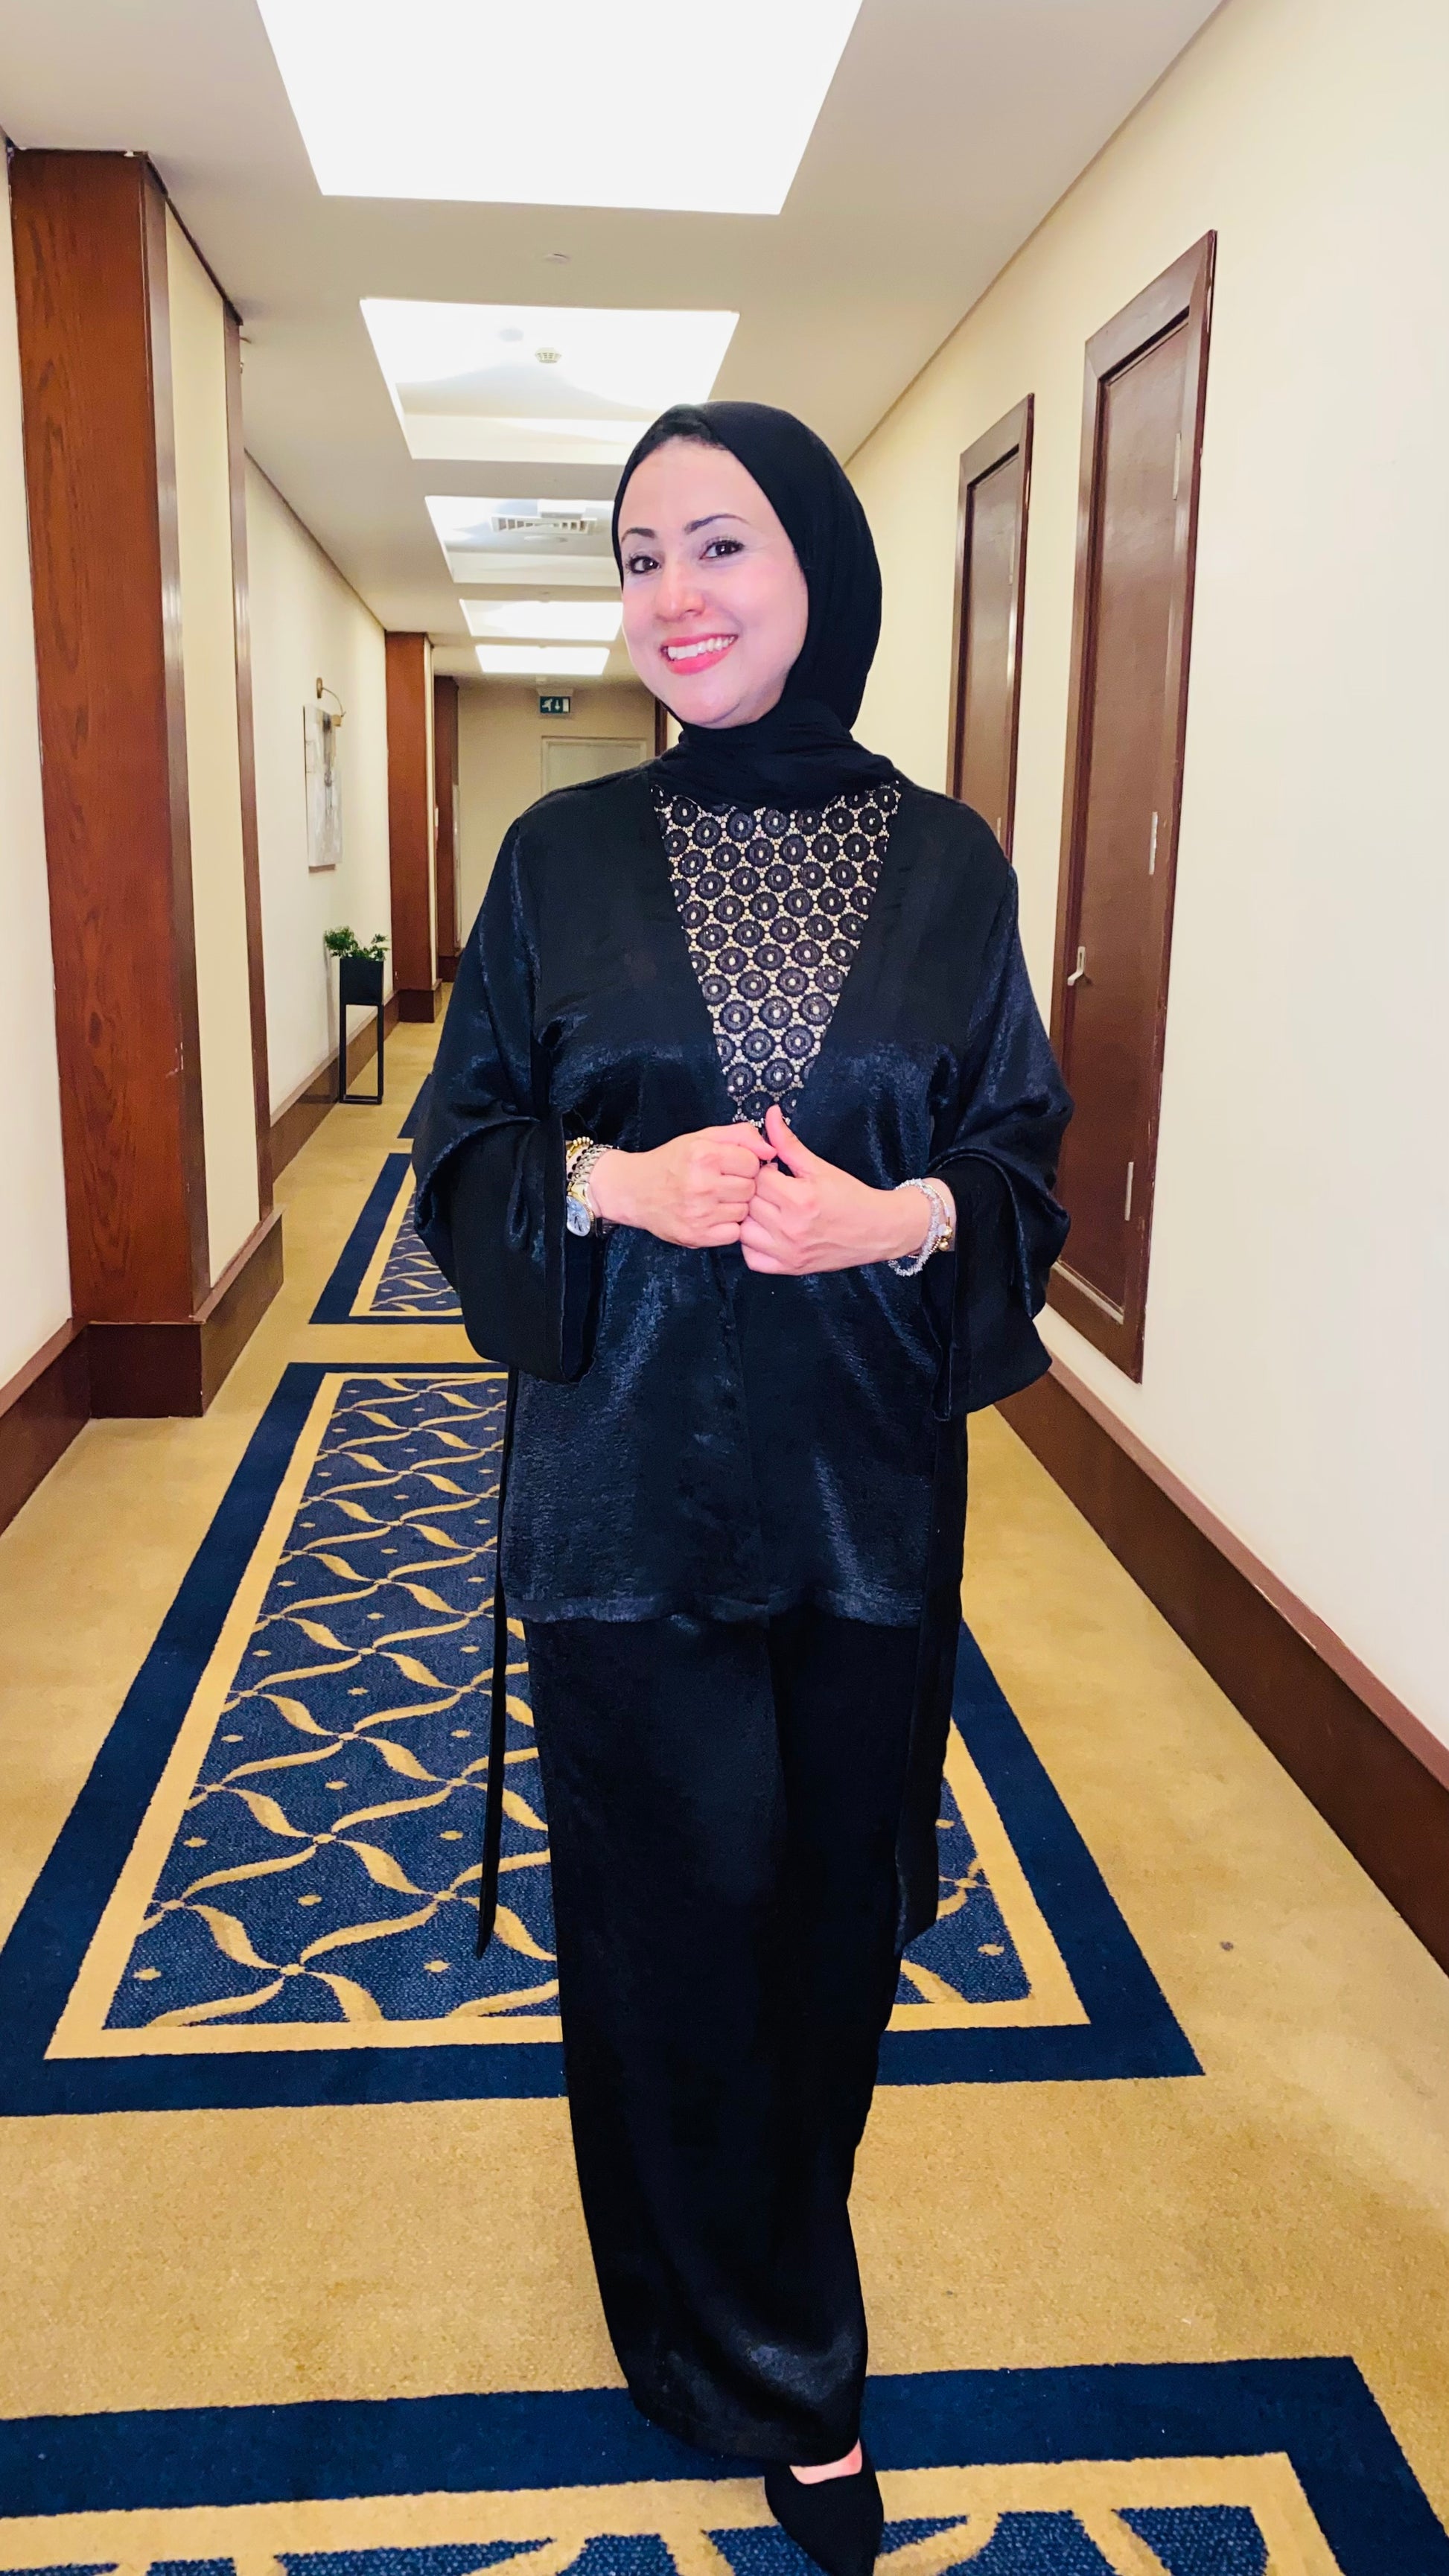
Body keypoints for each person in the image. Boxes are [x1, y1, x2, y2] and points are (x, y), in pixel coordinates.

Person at [415, 401, 1070, 2576]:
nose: (673, 596)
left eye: (720, 543)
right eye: (638, 556)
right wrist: (611, 1182)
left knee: (823, 1942)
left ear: (819, 572)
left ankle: (762, 2288)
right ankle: (779, 2370)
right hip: (624, 1512)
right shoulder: (559, 857)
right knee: (661, 1936)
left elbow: (1015, 1160)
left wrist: (896, 1222)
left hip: (862, 1509)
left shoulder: (950, 864)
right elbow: (460, 1147)